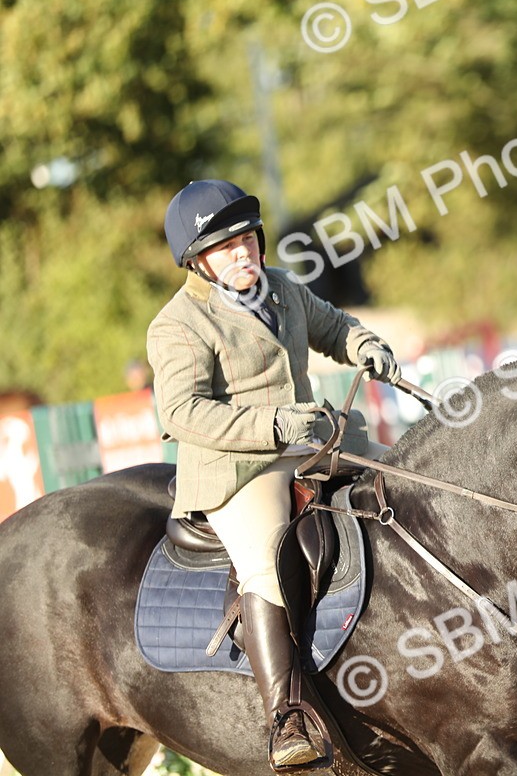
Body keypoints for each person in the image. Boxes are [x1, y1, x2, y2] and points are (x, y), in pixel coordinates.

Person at [147, 179, 401, 770]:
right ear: (199, 261)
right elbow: (181, 413)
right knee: (266, 558)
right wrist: (275, 424)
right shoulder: (179, 323)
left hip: (309, 441)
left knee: (401, 482)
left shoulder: (281, 288)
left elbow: (334, 327)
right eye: (224, 246)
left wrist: (366, 344)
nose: (242, 253)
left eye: (247, 239)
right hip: (238, 466)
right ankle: (286, 717)